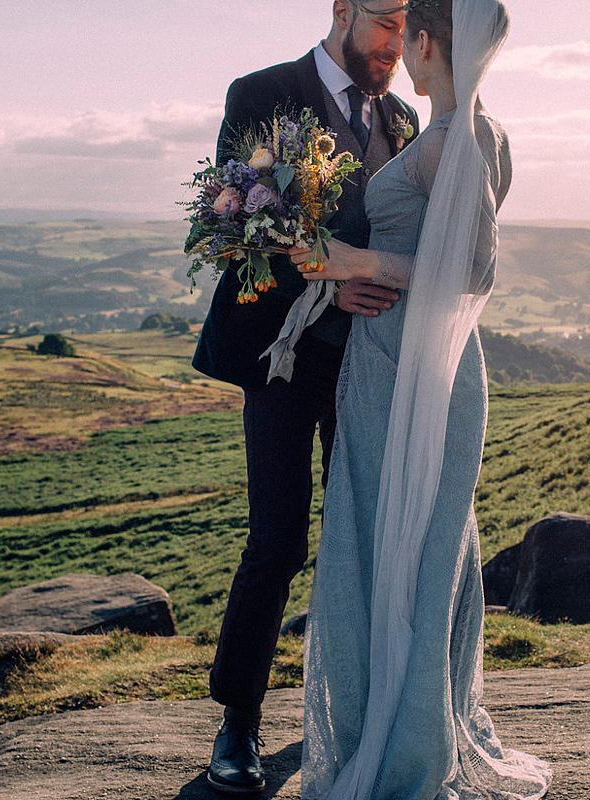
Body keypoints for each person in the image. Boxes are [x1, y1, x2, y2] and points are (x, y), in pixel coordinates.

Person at [290, 0, 553, 797]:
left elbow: (467, 276)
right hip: (407, 361)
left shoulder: (455, 141)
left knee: (405, 544)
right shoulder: (479, 133)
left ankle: (408, 748)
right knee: (408, 542)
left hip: (413, 363)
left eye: (412, 34)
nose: (402, 48)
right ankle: (401, 726)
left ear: (430, 43)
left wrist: (351, 262)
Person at [190, 1, 420, 793]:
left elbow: (397, 238)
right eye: (387, 22)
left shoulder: (402, 118)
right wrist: (334, 274)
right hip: (284, 363)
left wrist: (376, 273)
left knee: (359, 537)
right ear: (345, 10)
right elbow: (236, 231)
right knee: (278, 541)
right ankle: (238, 725)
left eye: (407, 28)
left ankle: (349, 717)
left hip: (369, 364)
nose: (398, 43)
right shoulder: (260, 93)